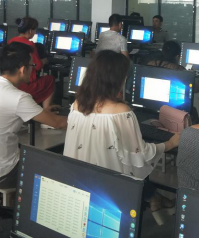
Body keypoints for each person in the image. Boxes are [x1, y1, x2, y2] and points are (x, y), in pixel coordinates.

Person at [63, 50, 179, 224]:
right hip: (108, 187)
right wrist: (170, 143)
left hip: (78, 179)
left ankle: (154, 197)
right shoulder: (120, 112)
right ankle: (154, 198)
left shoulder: (77, 104)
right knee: (132, 166)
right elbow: (140, 154)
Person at [0, 43, 67, 190]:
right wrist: (84, 118)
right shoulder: (18, 97)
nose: (33, 69)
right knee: (55, 164)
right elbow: (58, 123)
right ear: (23, 69)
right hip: (2, 175)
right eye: (32, 65)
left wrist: (42, 112)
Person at [8, 17, 55, 108]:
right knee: (50, 79)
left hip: (13, 83)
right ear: (30, 31)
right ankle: (46, 110)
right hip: (26, 85)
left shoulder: (11, 41)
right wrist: (44, 61)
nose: (35, 32)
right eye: (34, 30)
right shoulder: (29, 45)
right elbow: (37, 66)